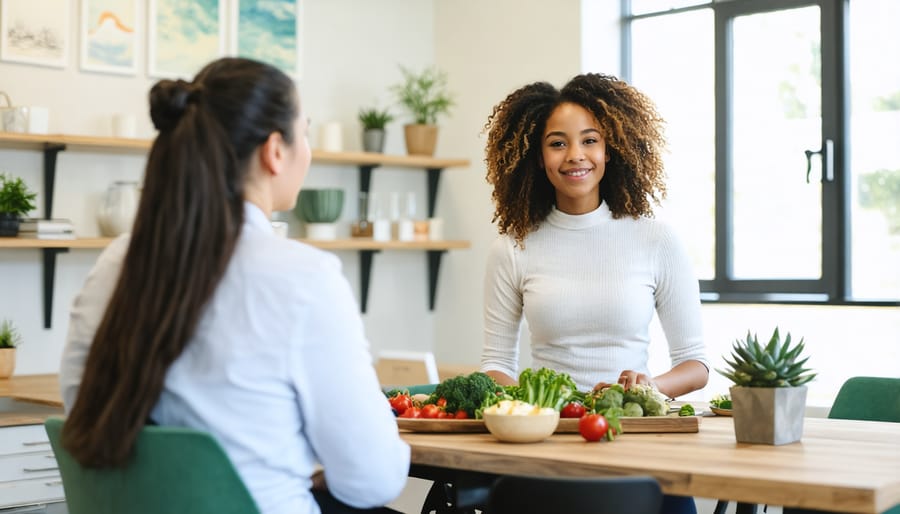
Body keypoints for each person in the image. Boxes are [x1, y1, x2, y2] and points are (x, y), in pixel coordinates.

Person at [58, 57, 410, 514]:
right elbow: (373, 480)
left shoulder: (114, 263)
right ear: (274, 151)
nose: (309, 150)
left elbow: (79, 408)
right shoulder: (304, 278)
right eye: (305, 132)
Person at [480, 73, 709, 514]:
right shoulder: (512, 248)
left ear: (610, 150)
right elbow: (494, 365)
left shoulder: (656, 240)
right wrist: (540, 406)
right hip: (548, 444)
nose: (575, 156)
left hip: (636, 442)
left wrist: (648, 388)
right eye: (557, 143)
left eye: (590, 140)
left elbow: (696, 365)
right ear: (537, 155)